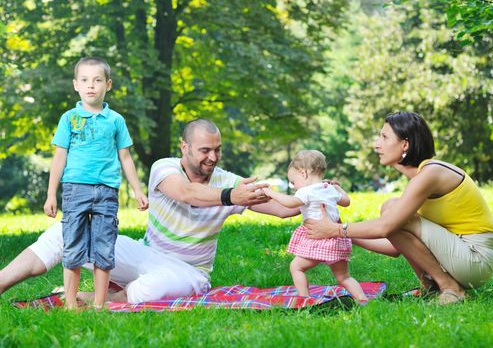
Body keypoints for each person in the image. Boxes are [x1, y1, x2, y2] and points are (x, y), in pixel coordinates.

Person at [0, 119, 298, 304]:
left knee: (152, 287)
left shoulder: (228, 181)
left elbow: (283, 211)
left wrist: (314, 192)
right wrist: (231, 196)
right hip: (147, 255)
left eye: (217, 149)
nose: (213, 157)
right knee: (66, 232)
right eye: (205, 150)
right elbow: (186, 193)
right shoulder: (164, 168)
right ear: (185, 147)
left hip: (190, 273)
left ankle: (95, 299)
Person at [305, 111, 493, 305]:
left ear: (404, 144)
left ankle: (451, 289)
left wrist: (336, 229)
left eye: (384, 137)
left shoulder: (430, 174)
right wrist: (338, 231)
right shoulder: (420, 177)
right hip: (461, 255)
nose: (376, 144)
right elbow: (395, 246)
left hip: (475, 258)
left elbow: (385, 227)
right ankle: (432, 289)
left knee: (391, 209)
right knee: (391, 209)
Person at [42, 57, 149, 309]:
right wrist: (51, 194)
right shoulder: (68, 119)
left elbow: (125, 156)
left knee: (104, 247)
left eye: (97, 80)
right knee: (73, 247)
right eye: (85, 80)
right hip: (75, 190)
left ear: (108, 84)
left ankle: (100, 306)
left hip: (107, 192)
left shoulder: (115, 120)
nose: (91, 85)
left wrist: (137, 190)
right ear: (75, 85)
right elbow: (59, 157)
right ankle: (70, 305)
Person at [263, 150, 367, 302]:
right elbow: (346, 201)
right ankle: (362, 299)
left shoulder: (306, 191)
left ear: (303, 173)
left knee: (296, 267)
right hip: (336, 239)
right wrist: (338, 188)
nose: (294, 187)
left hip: (317, 240)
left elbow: (290, 202)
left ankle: (304, 300)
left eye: (293, 182)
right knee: (344, 277)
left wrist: (271, 193)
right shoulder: (328, 188)